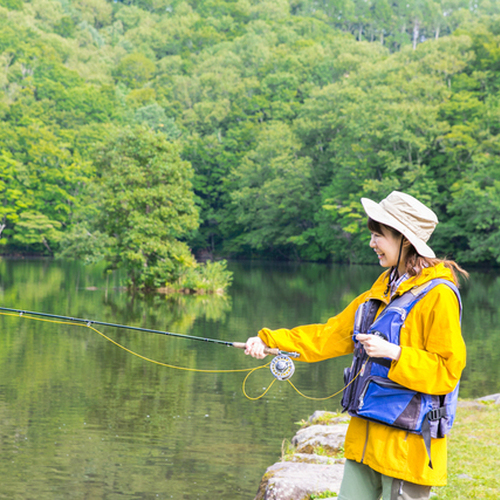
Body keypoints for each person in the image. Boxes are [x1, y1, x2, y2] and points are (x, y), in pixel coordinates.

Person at [245, 191, 467, 500]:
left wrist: (394, 353)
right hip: (365, 439)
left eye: (379, 236)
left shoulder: (439, 296)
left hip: (408, 447)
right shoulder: (381, 290)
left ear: (405, 239)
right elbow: (329, 334)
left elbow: (448, 370)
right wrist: (270, 341)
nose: (371, 243)